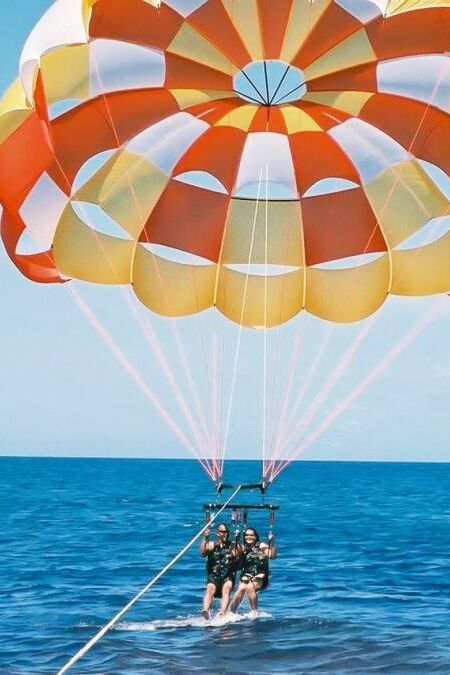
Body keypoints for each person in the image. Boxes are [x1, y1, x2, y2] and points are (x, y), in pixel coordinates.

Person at [229, 527, 276, 613]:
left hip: (261, 576)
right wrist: (236, 539)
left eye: (251, 535)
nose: (248, 537)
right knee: (242, 588)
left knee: (250, 587)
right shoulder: (243, 548)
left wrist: (271, 542)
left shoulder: (261, 546)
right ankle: (232, 612)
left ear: (255, 537)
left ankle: (255, 611)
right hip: (246, 576)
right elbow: (235, 554)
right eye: (246, 535)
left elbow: (272, 556)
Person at [200, 522, 241, 620]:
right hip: (214, 575)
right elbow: (202, 553)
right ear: (218, 533)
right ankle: (206, 610)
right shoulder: (211, 544)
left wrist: (237, 540)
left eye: (227, 532)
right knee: (210, 588)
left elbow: (238, 554)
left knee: (226, 588)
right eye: (223, 532)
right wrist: (205, 538)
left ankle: (222, 612)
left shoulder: (233, 545)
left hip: (228, 575)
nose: (225, 534)